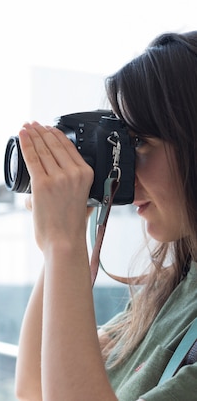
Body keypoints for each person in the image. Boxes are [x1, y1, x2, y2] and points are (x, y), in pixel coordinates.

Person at [14, 31, 197, 400]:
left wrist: (63, 245)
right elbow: (35, 389)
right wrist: (66, 233)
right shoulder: (176, 290)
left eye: (140, 143)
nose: (127, 171)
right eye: (123, 146)